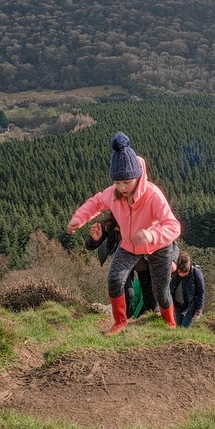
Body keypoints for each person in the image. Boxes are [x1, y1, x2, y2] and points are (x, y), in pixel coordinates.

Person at [67, 132, 181, 335]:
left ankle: (170, 324)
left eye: (126, 182)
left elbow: (173, 226)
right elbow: (96, 202)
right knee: (114, 279)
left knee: (161, 292)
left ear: (138, 177)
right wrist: (78, 218)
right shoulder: (114, 193)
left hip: (158, 247)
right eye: (118, 182)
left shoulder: (153, 195)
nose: (122, 187)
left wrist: (152, 235)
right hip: (129, 244)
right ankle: (120, 322)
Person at [84, 211, 156, 318]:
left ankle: (145, 323)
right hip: (123, 260)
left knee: (150, 297)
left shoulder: (145, 215)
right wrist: (94, 239)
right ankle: (124, 322)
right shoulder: (112, 220)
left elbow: (169, 240)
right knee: (127, 294)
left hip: (144, 262)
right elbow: (90, 245)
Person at [169, 250, 205, 328]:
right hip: (177, 306)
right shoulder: (173, 273)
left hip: (190, 307)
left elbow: (200, 292)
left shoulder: (196, 273)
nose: (182, 273)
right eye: (180, 271)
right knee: (178, 327)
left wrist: (198, 311)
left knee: (184, 328)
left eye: (185, 271)